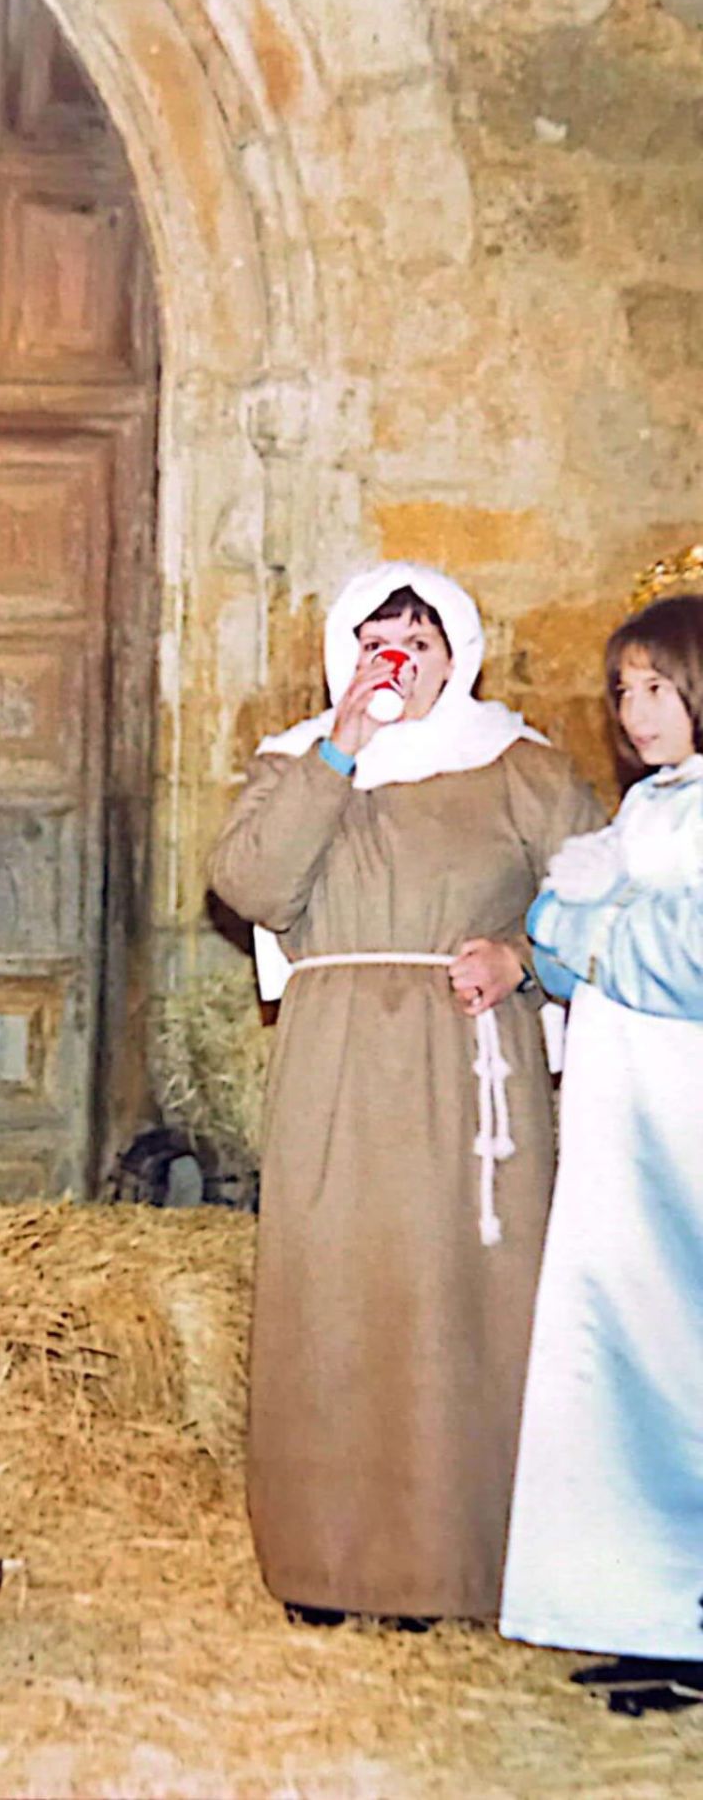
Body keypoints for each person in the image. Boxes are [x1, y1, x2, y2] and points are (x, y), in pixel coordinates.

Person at [208, 561, 602, 1625]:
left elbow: (604, 901)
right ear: (346, 649)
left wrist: (522, 958)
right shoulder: (298, 761)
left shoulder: (518, 765)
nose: (399, 655)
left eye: (419, 638)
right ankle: (329, 1564)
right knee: (333, 1298)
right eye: (379, 636)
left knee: (458, 1304)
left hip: (466, 1067)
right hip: (336, 1064)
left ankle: (458, 1563)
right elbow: (251, 885)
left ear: (457, 651)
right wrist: (343, 745)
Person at [500, 593, 703, 1711]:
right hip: (626, 1118)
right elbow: (558, 952)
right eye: (624, 690)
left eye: (659, 686)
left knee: (684, 1352)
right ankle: (651, 1611)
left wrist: (580, 923)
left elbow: (685, 953)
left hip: (687, 1121)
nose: (636, 710)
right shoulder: (652, 808)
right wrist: (570, 929)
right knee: (622, 1348)